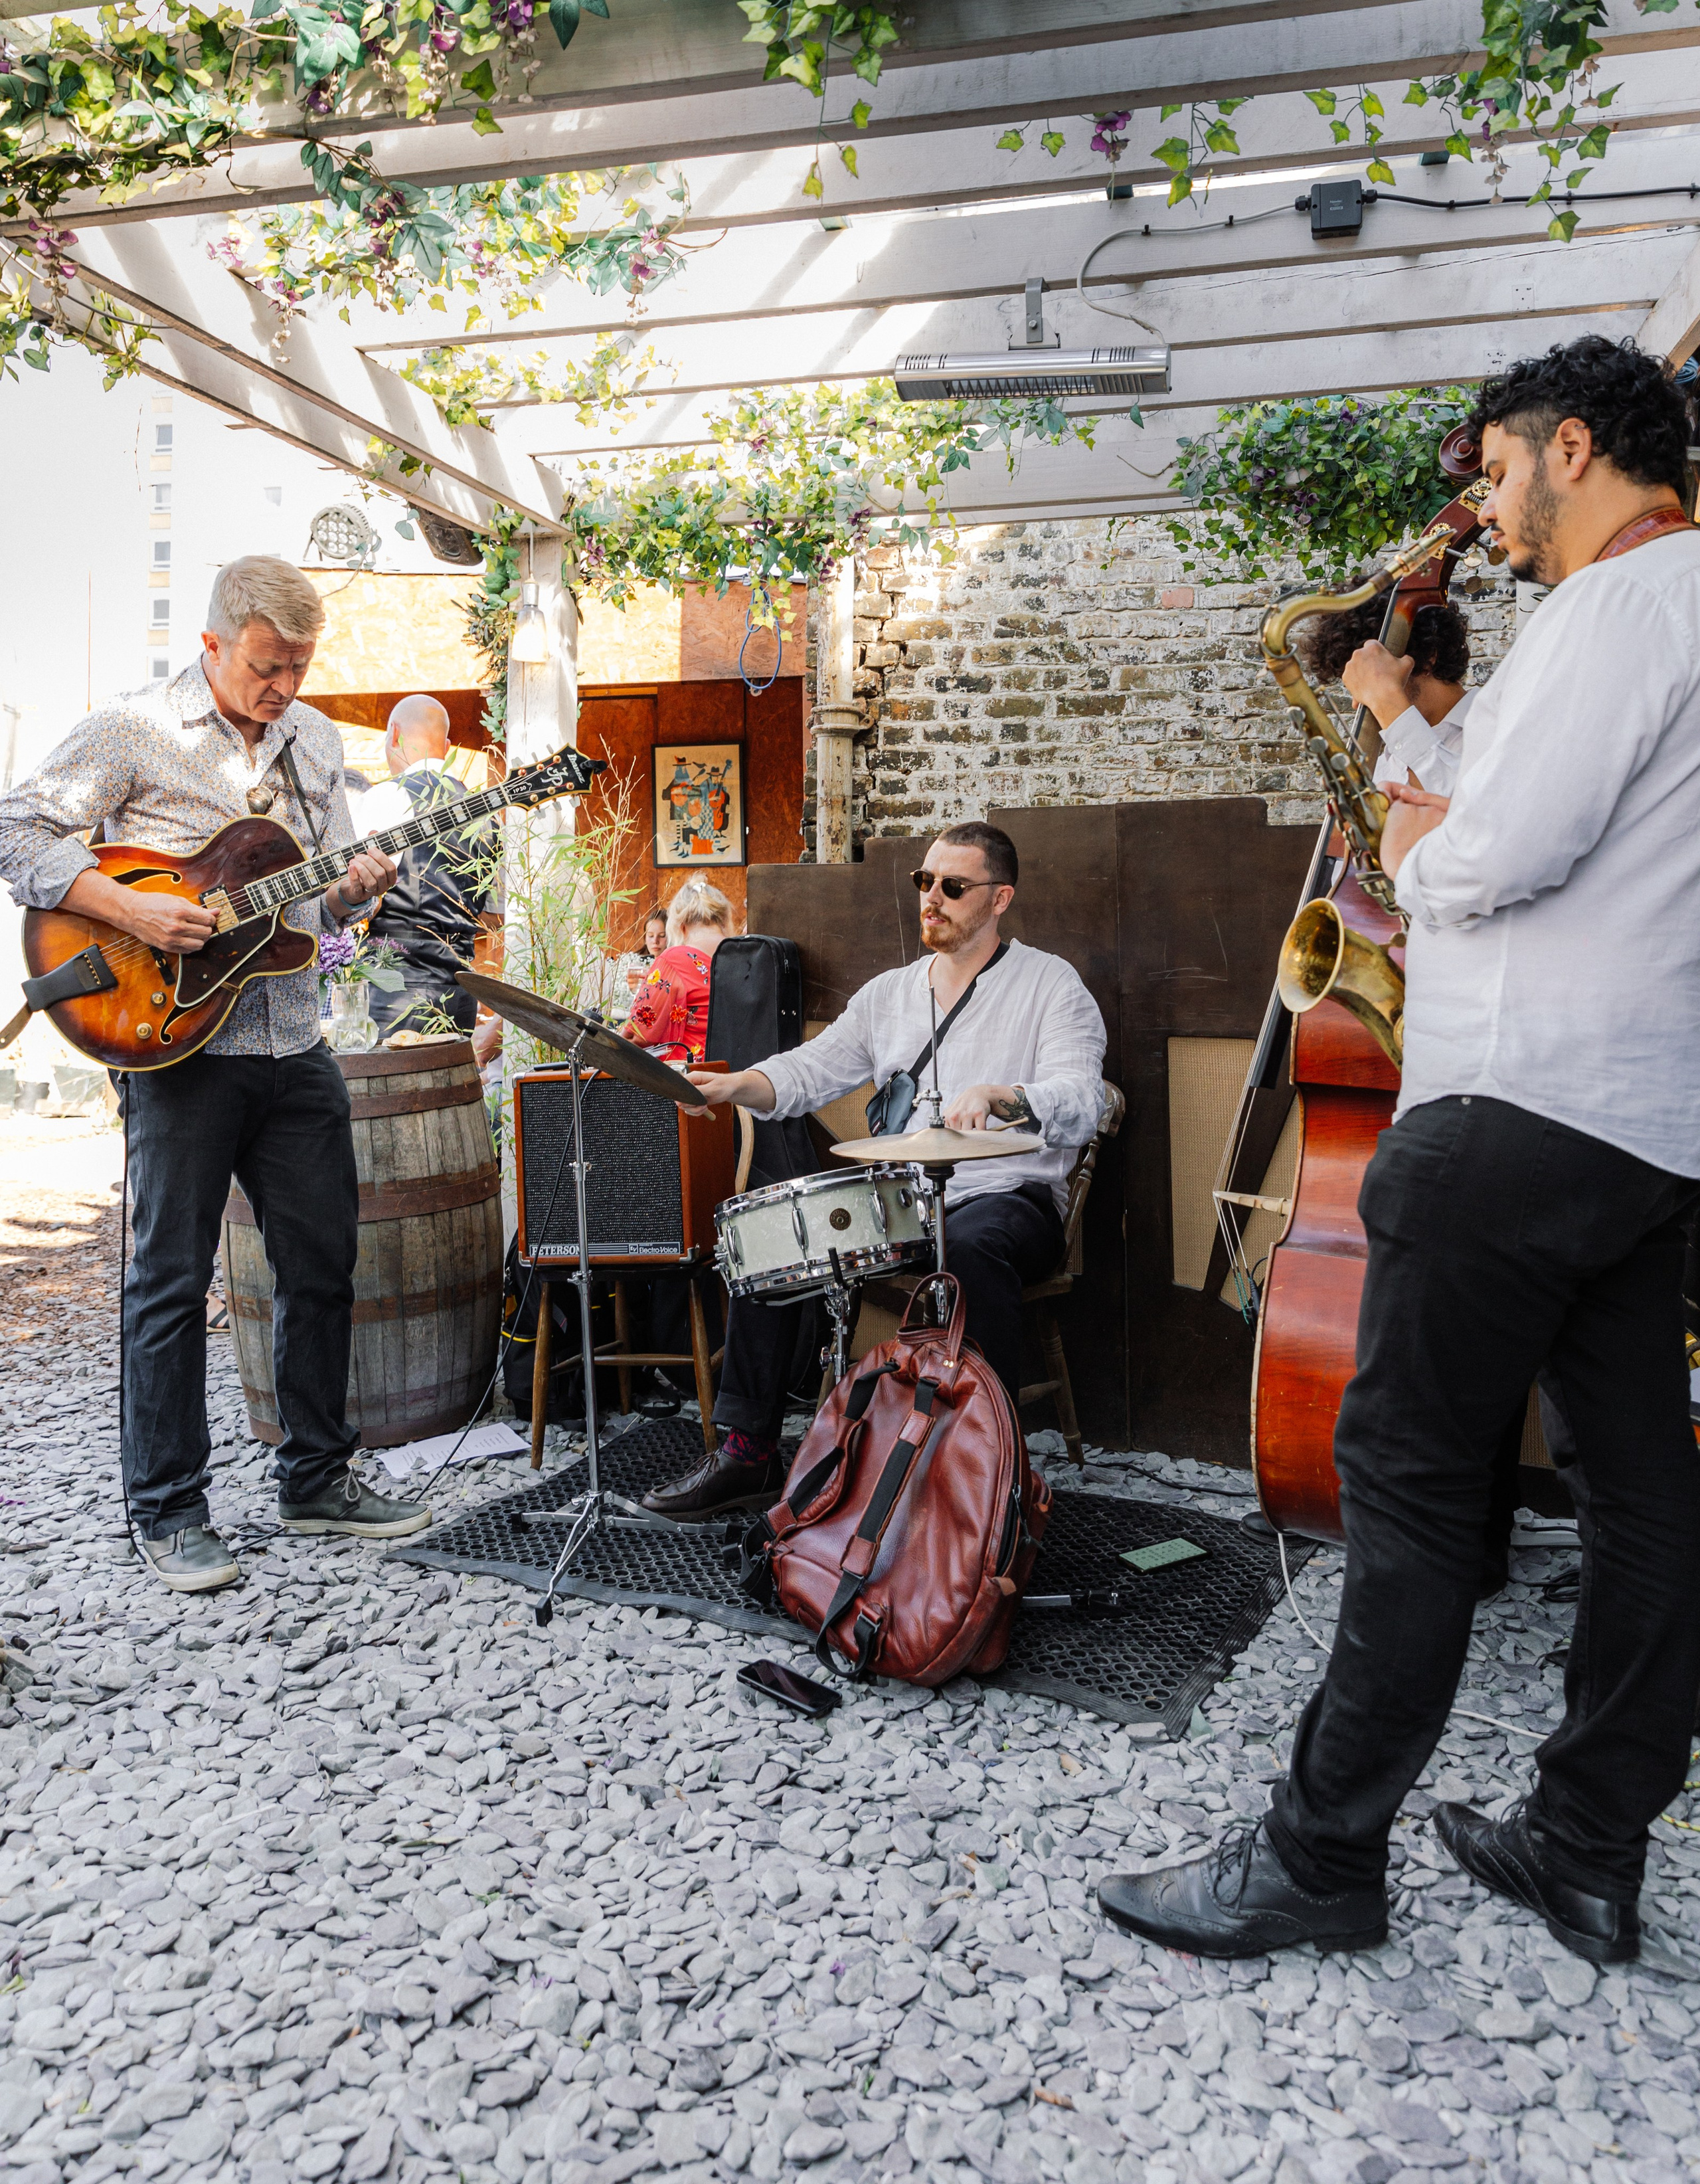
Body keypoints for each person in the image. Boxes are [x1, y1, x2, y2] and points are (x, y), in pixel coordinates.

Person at [1100, 335, 1700, 1968]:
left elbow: (1494, 854)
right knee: (1640, 1494)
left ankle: (1316, 1856)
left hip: (1506, 1105)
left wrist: (1416, 822)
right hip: (1643, 1128)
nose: (1488, 513)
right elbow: (1536, 813)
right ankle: (1583, 1845)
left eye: (1496, 473)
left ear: (1569, 447)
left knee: (1411, 1488)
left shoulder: (1611, 608)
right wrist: (1419, 740)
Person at [0, 556, 432, 1593]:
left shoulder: (316, 740)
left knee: (322, 1268)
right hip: (176, 1051)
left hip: (292, 1043)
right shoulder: (131, 730)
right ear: (212, 644)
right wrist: (127, 907)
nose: (284, 686)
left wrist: (358, 890)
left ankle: (316, 1480)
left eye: (299, 667)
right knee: (169, 1282)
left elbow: (319, 906)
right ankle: (168, 1510)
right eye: (265, 666)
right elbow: (16, 830)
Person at [640, 820, 1107, 1519]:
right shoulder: (890, 993)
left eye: (953, 887)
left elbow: (1084, 1101)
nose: (932, 898)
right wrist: (734, 1084)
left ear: (1000, 898)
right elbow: (811, 1070)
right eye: (925, 881)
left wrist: (1003, 1097)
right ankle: (747, 1452)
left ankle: (983, 1468)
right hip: (905, 1204)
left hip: (1007, 1199)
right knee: (776, 1233)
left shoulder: (1050, 985)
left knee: (971, 1248)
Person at [355, 694, 495, 1038]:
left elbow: (355, 896)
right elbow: (495, 914)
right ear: (446, 748)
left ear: (394, 734)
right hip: (460, 994)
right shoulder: (485, 816)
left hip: (392, 992)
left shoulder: (384, 798)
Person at [1295, 591, 1474, 793]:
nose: (1358, 700)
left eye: (1372, 679)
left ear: (1428, 658)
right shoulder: (1379, 772)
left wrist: (1388, 703)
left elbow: (1470, 805)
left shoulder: (1496, 726)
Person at [623, 880, 734, 1065]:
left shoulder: (674, 960)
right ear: (723, 919)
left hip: (689, 1074)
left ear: (681, 925)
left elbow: (636, 1035)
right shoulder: (745, 954)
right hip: (739, 1072)